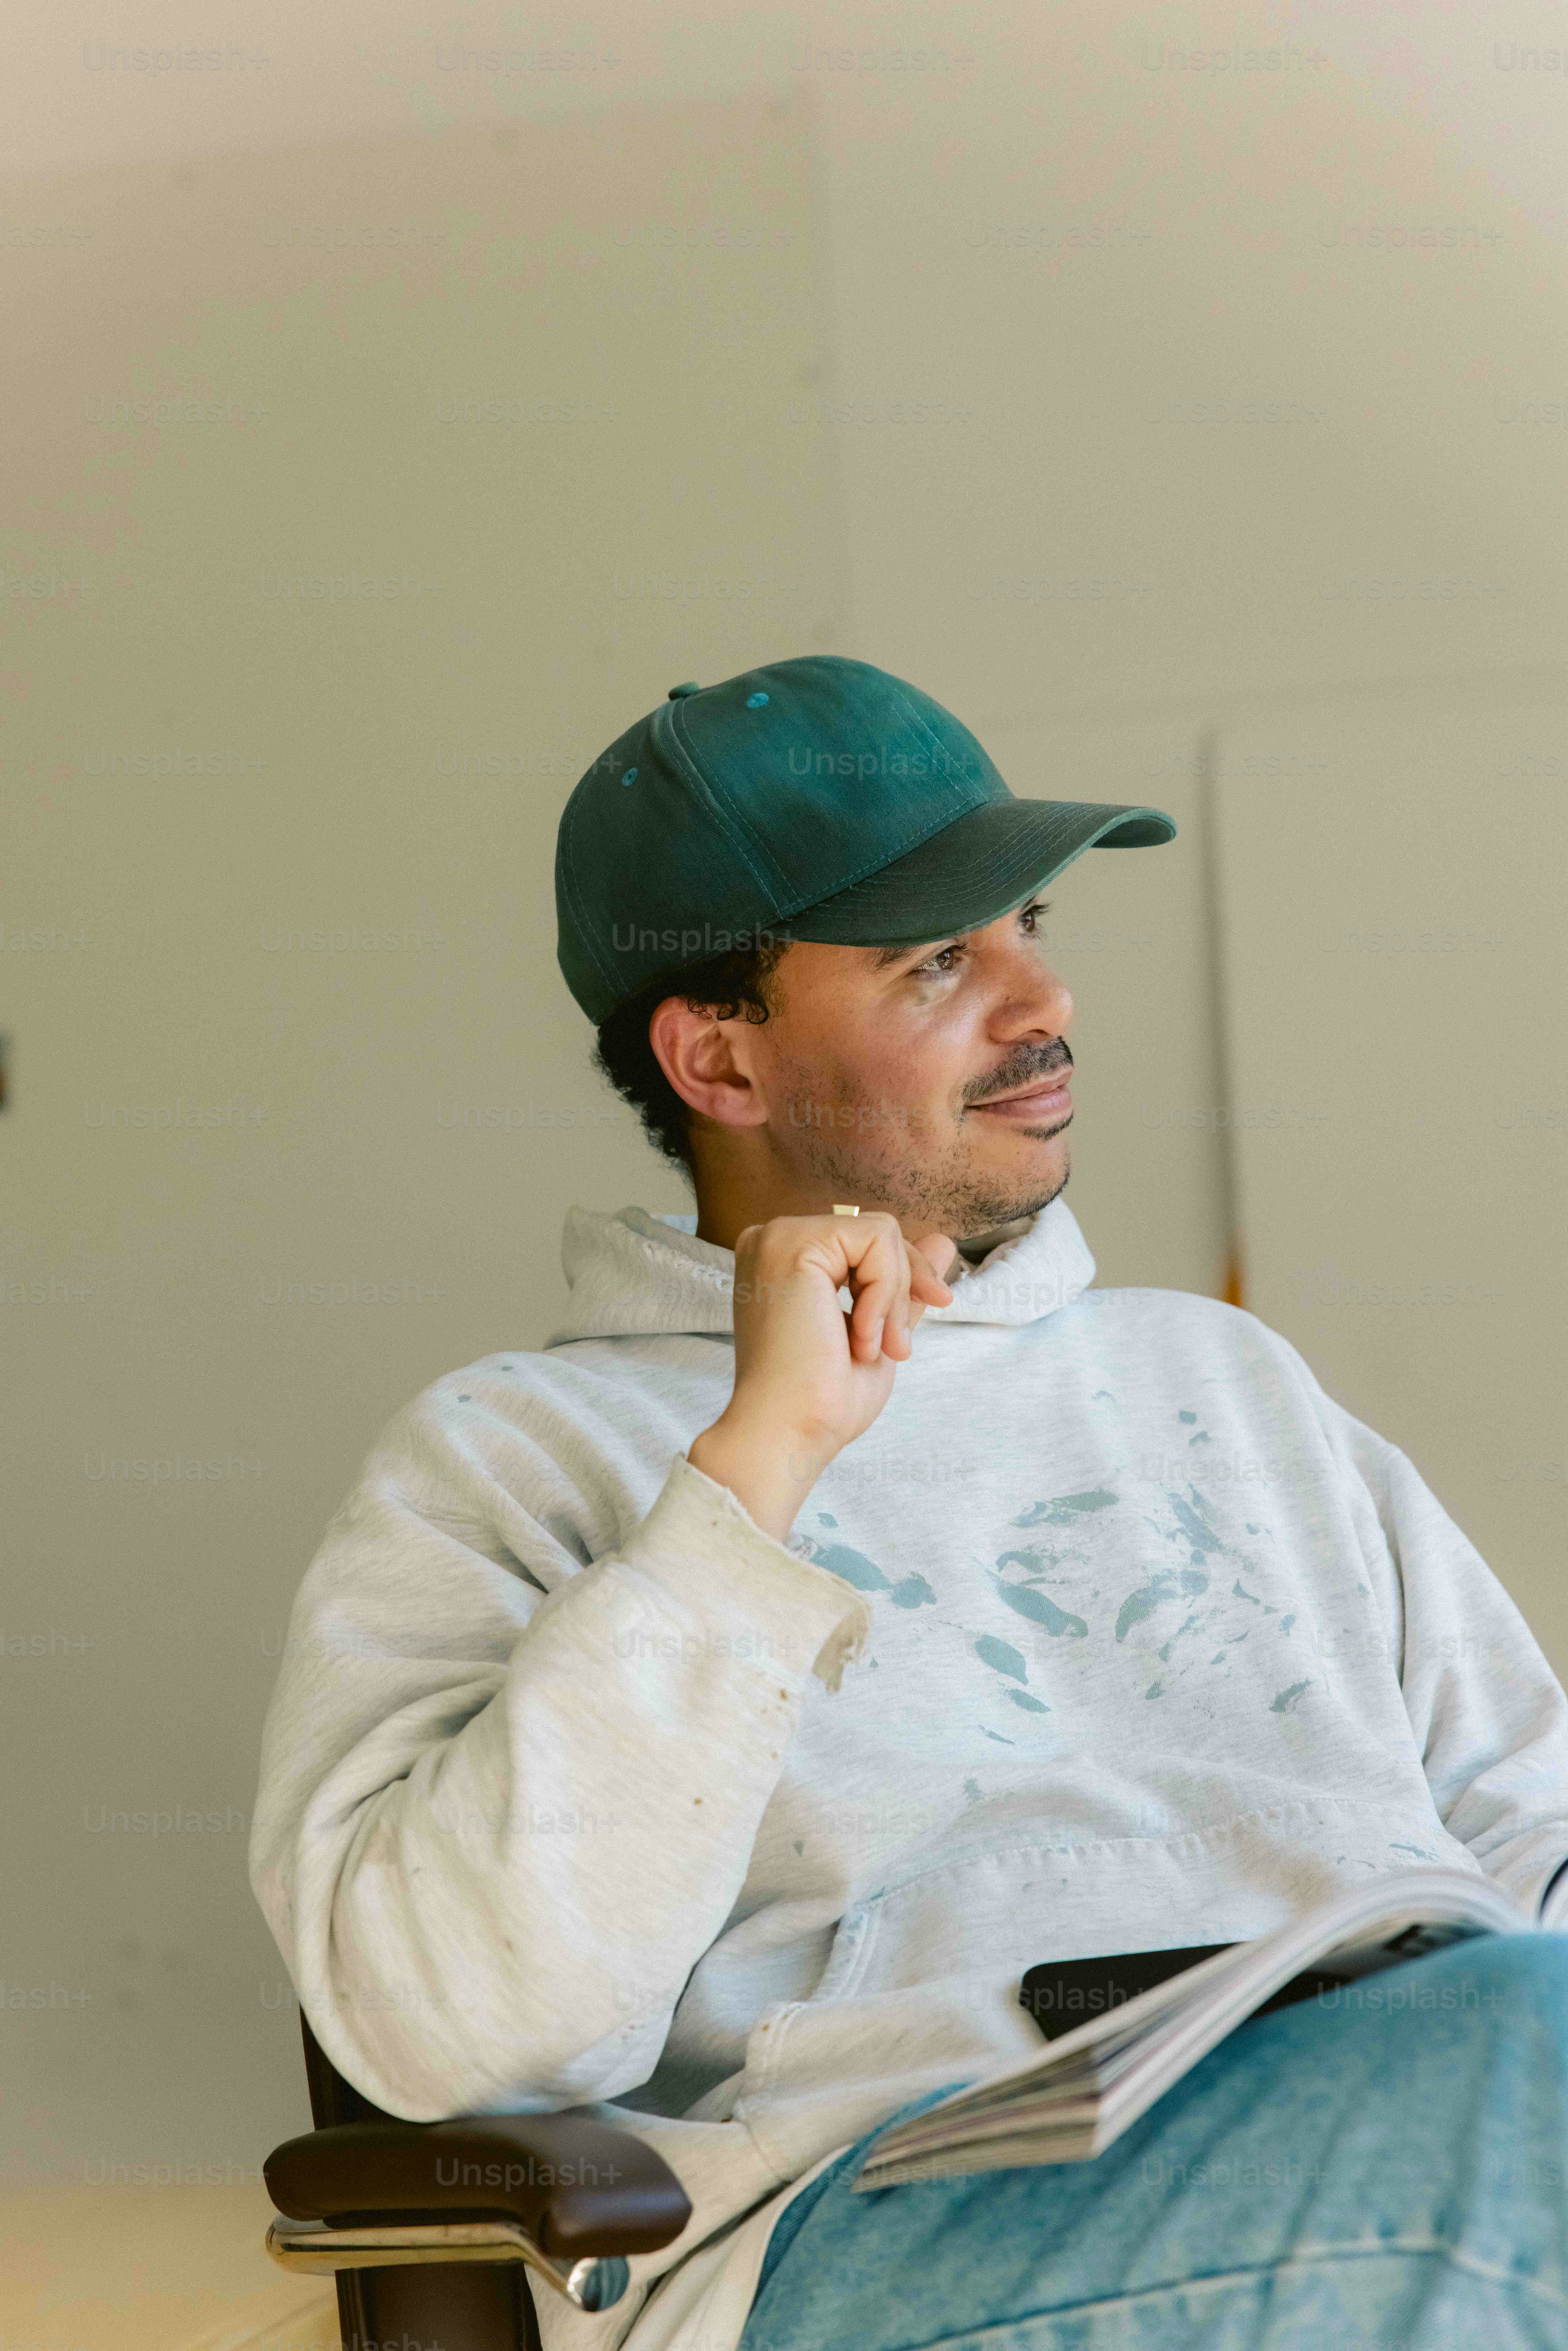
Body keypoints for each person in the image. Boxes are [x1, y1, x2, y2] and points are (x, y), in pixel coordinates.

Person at [251, 658, 1568, 2351]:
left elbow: (1526, 1833)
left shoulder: (1223, 1381)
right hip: (886, 2223)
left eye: (1028, 924)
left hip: (1423, 2101)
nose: (1044, 1000)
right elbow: (448, 2025)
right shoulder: (507, 1456)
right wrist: (756, 1471)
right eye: (937, 961)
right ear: (719, 1061)